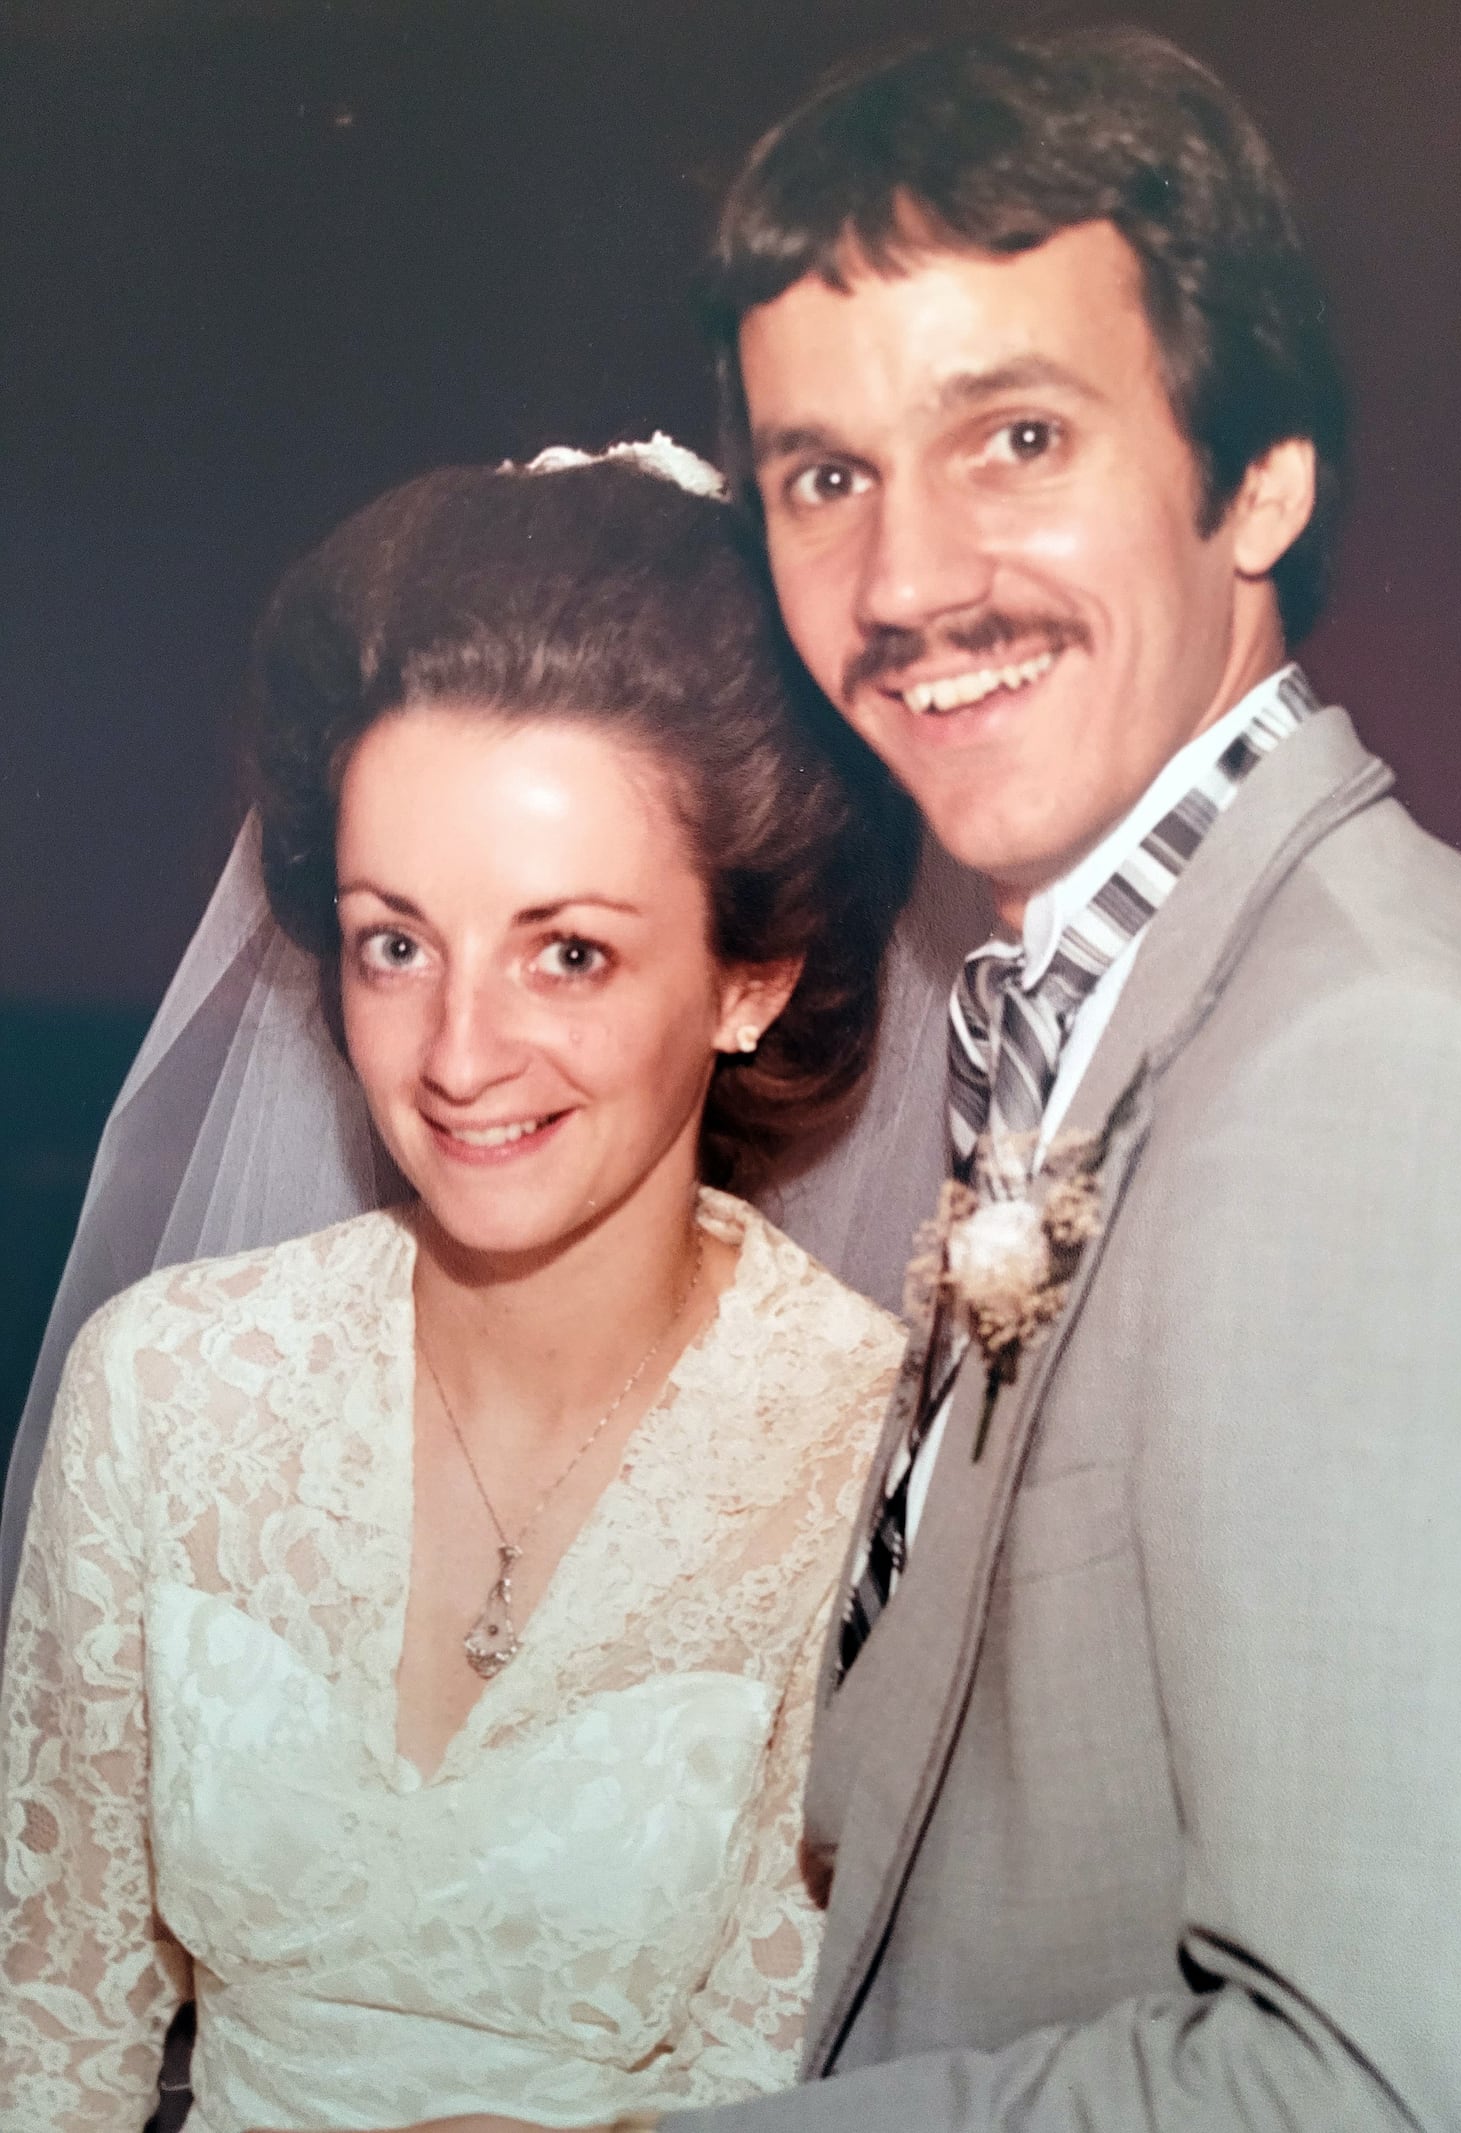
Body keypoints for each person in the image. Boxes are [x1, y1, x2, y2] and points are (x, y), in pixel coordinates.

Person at [390, 28, 1461, 2133]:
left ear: (1260, 476)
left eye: (1013, 435)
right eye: (823, 475)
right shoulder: (1113, 995)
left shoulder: (1365, 1073)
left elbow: (1376, 2083)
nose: (905, 582)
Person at [0, 444, 922, 2130]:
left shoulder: (870, 1451)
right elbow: (40, 2034)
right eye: (394, 941)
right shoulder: (167, 1387)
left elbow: (786, 2069)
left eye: (567, 949)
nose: (460, 1053)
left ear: (748, 977)